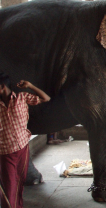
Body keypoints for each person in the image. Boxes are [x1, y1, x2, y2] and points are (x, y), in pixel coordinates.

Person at [0, 73, 50, 208]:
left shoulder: (22, 97)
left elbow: (46, 98)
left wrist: (30, 86)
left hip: (23, 148)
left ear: (2, 87)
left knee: (18, 183)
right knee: (9, 185)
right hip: (5, 152)